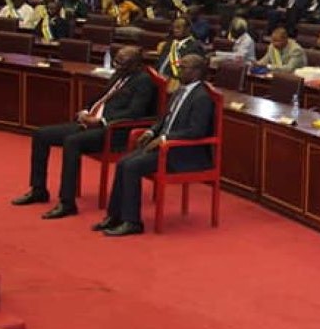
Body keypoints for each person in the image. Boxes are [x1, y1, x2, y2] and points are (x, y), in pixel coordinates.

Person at [11, 46, 158, 220]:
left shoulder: (143, 81)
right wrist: (86, 110)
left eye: (121, 61)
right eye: (116, 60)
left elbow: (135, 112)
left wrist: (101, 120)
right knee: (41, 134)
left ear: (135, 63)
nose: (116, 65)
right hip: (91, 124)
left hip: (114, 131)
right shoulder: (119, 75)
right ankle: (38, 190)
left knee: (72, 142)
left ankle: (67, 202)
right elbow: (101, 98)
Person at [94, 54, 215, 237]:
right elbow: (164, 119)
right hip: (166, 147)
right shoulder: (179, 91)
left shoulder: (202, 97)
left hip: (183, 153)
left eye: (183, 67)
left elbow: (196, 131)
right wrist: (152, 132)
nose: (178, 70)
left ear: (196, 72)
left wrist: (165, 138)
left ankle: (132, 222)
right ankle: (115, 215)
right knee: (123, 162)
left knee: (131, 166)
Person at [155, 17, 203, 83]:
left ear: (188, 29)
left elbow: (191, 72)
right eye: (174, 27)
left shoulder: (195, 47)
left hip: (175, 82)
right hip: (158, 78)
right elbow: (160, 62)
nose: (175, 30)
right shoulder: (169, 43)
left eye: (178, 27)